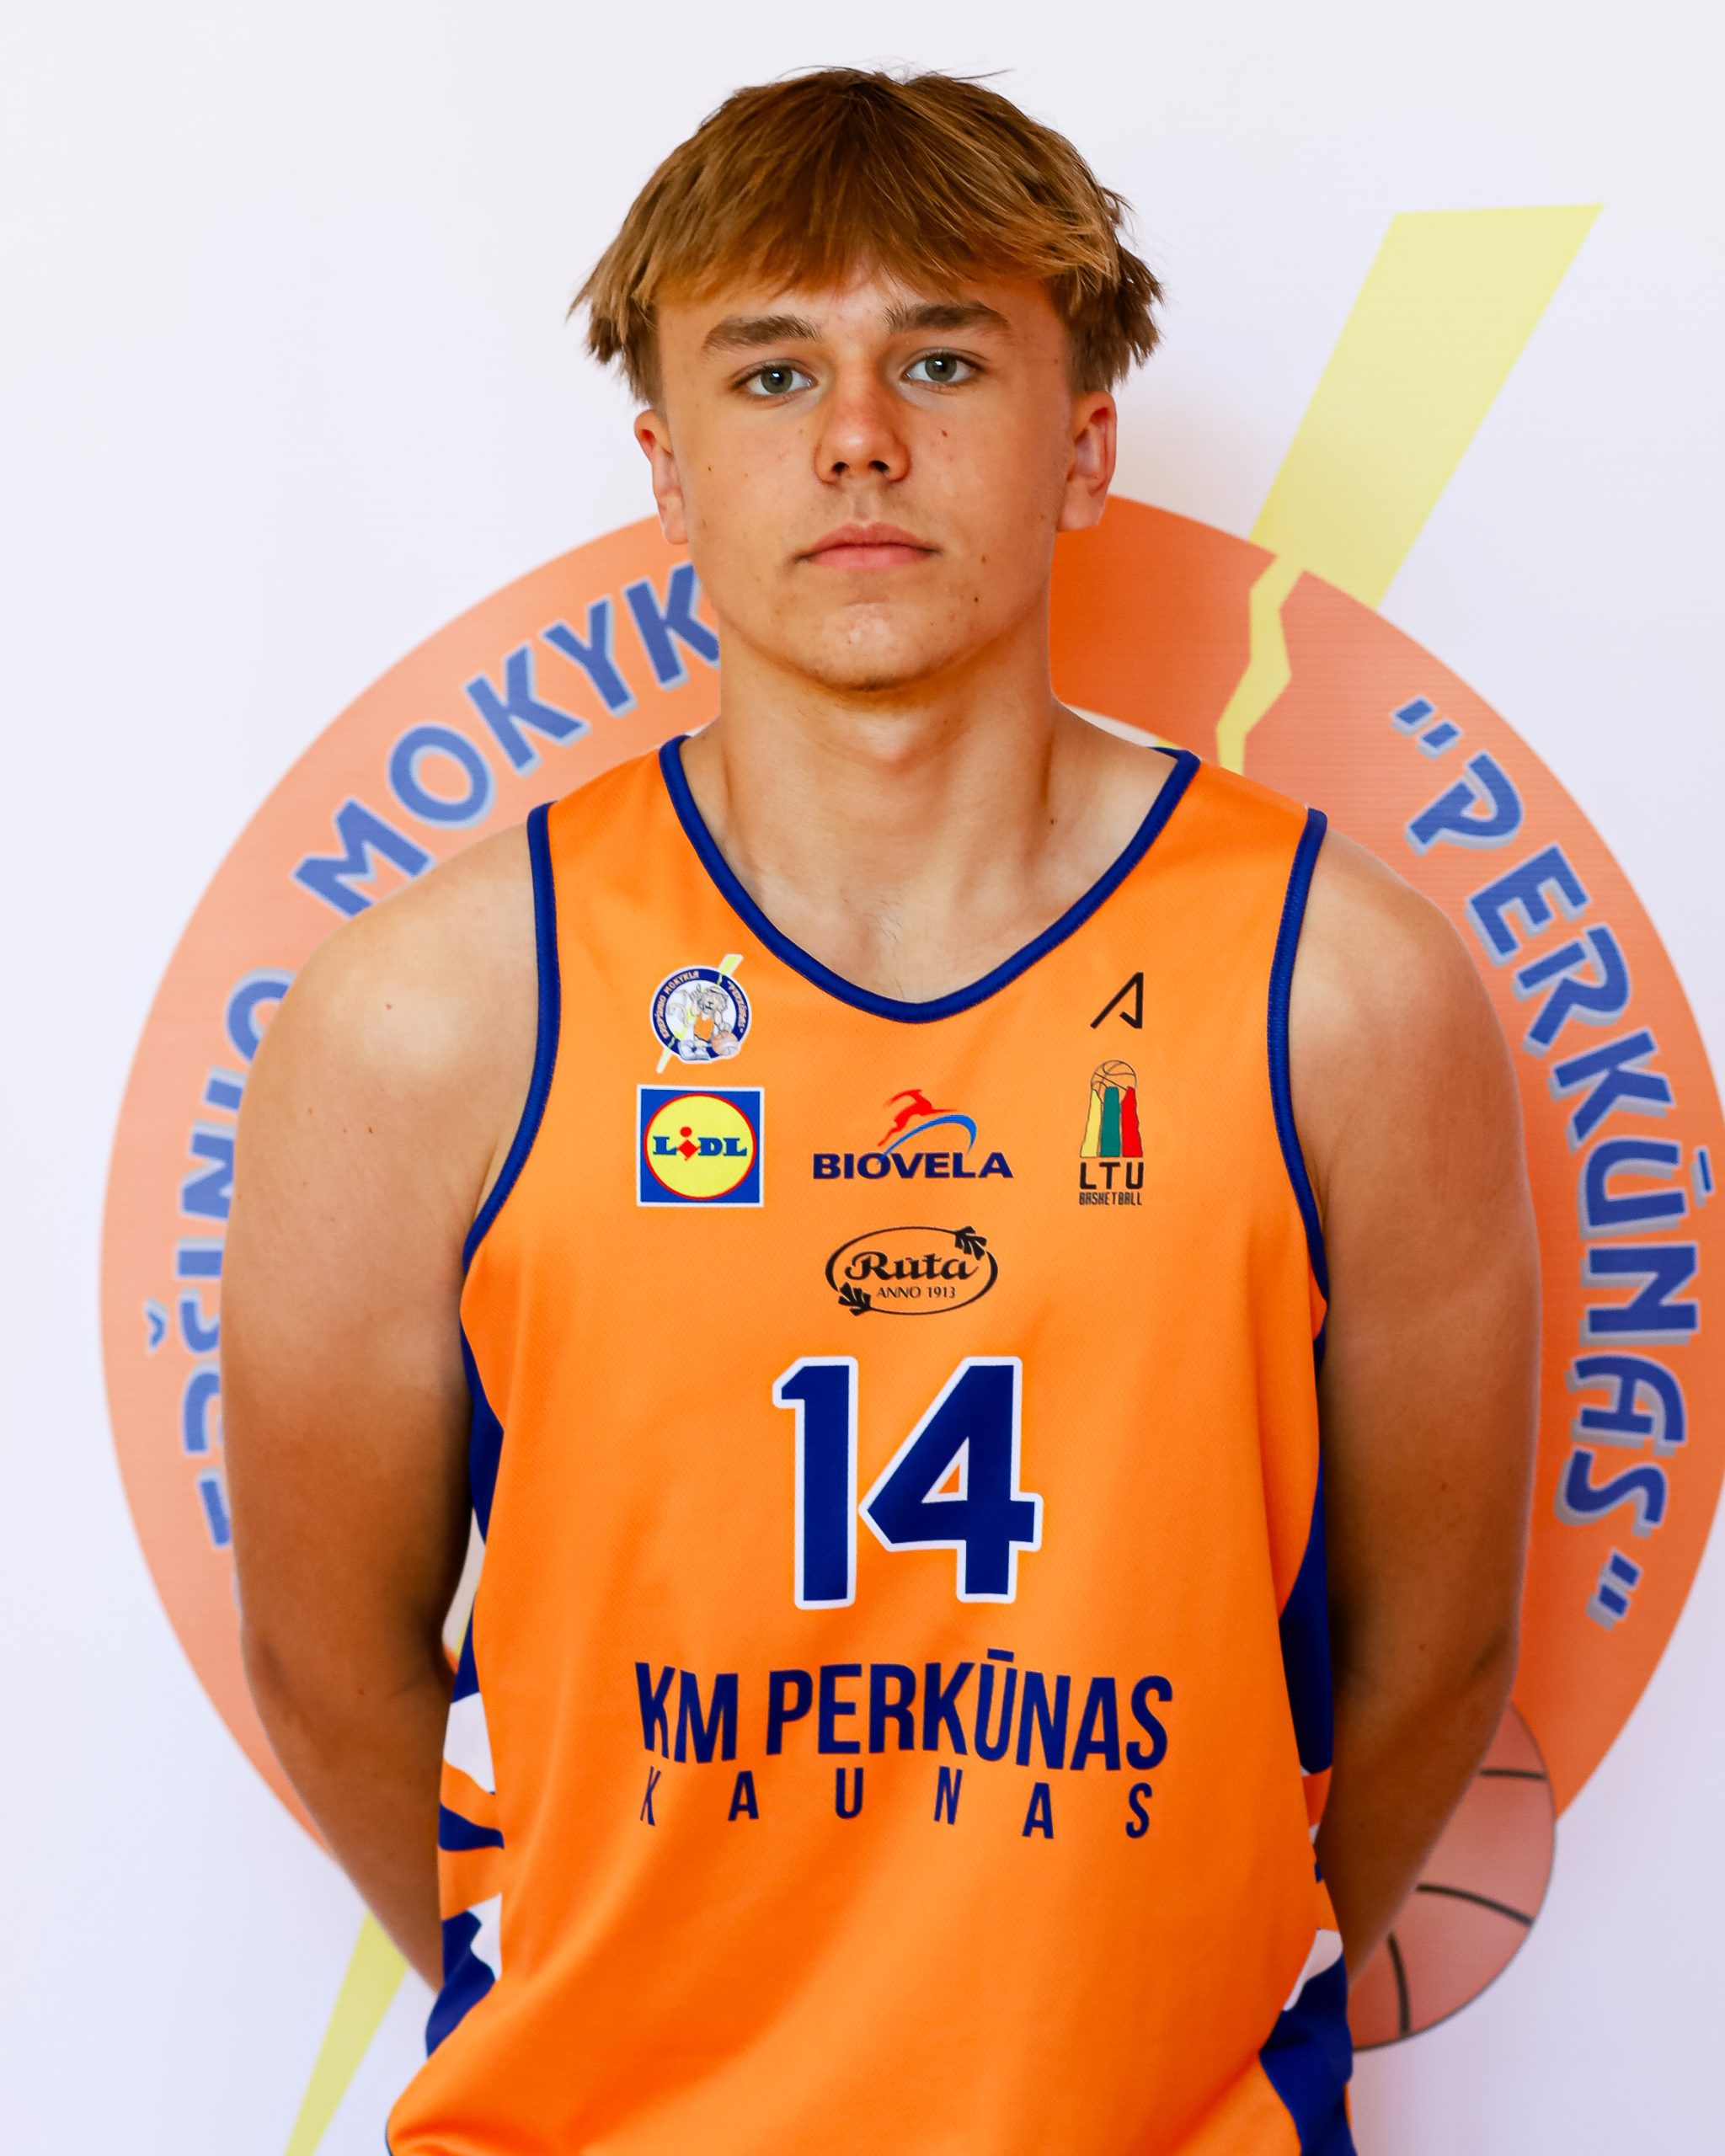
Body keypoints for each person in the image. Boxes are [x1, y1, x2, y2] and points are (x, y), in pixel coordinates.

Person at [224, 67, 1539, 2156]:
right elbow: (325, 1663)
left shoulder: (1342, 988)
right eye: (771, 372)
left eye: (941, 357)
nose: (857, 437)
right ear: (666, 471)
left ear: (1083, 442)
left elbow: (1436, 1650)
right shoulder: (431, 1013)